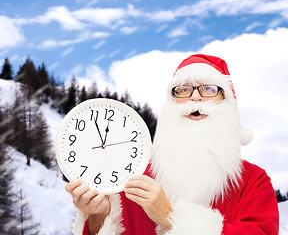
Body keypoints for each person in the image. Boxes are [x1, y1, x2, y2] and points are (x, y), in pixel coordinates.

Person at [65, 54, 279, 234]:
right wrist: (98, 217)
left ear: (227, 102)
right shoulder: (133, 176)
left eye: (209, 89)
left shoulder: (254, 182)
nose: (195, 98)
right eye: (184, 89)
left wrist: (170, 217)